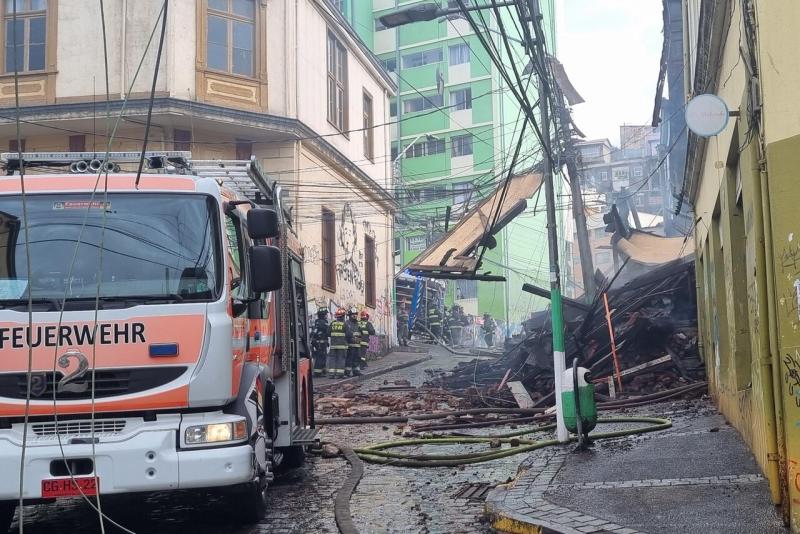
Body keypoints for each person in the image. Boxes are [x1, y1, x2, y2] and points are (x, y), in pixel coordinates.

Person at [327, 308, 348, 378]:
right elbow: (349, 334)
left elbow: (328, 333)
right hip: (342, 346)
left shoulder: (332, 324)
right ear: (343, 316)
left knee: (332, 359)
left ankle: (331, 374)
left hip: (333, 346)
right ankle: (339, 374)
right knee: (340, 359)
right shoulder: (344, 324)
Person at [311, 308, 330, 377]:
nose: (327, 315)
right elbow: (328, 332)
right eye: (326, 314)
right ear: (323, 315)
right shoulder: (323, 323)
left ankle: (322, 371)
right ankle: (318, 373)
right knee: (321, 357)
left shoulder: (317, 321)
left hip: (318, 343)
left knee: (321, 356)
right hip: (321, 343)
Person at [346, 307, 362, 377]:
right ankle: (347, 372)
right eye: (353, 314)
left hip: (357, 345)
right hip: (349, 345)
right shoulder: (346, 323)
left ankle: (356, 371)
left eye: (356, 314)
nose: (355, 316)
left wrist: (360, 338)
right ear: (349, 315)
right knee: (349, 359)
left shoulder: (358, 324)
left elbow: (361, 333)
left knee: (357, 358)